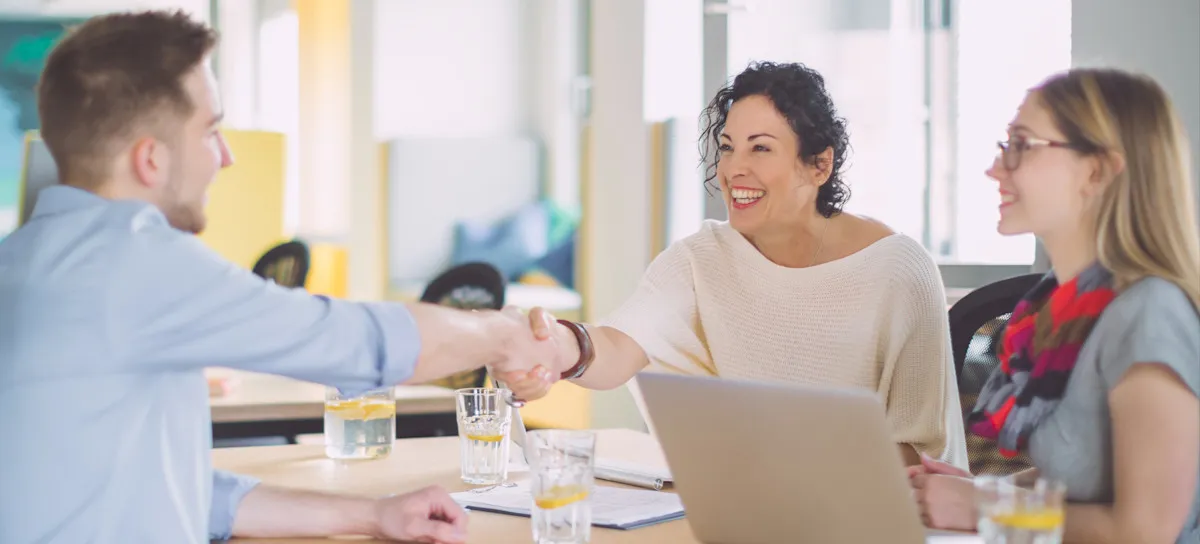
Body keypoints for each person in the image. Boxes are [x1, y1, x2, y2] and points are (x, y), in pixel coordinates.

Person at [0, 10, 558, 544]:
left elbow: (183, 494)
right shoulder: (134, 262)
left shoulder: (23, 259)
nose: (226, 157)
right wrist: (500, 335)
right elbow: (360, 345)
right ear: (152, 160)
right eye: (209, 131)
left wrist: (373, 514)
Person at [502, 61, 968, 469]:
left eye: (760, 148)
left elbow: (920, 454)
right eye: (727, 147)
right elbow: (616, 346)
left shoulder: (898, 270)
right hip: (749, 507)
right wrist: (554, 347)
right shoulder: (702, 257)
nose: (733, 168)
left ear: (818, 165)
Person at [908, 68, 1200, 543]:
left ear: (1096, 171)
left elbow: (1146, 531)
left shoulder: (1149, 314)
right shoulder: (1062, 306)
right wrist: (983, 490)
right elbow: (1085, 483)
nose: (995, 168)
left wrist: (981, 506)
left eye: (1022, 145)